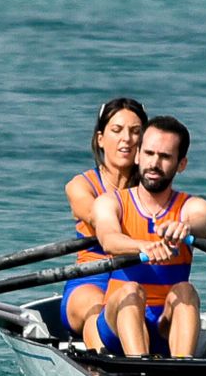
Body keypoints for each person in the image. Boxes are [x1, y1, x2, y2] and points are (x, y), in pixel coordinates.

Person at [88, 115, 206, 357]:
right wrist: (144, 246)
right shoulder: (111, 202)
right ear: (137, 156)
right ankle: (140, 368)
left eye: (165, 157)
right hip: (117, 324)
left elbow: (204, 222)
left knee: (186, 291)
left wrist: (185, 227)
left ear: (181, 164)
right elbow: (109, 238)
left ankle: (182, 369)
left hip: (166, 324)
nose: (154, 163)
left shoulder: (190, 206)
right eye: (149, 153)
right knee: (130, 291)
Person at [61, 97, 147, 336]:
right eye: (117, 130)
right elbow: (98, 218)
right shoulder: (81, 186)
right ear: (100, 139)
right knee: (99, 310)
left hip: (138, 279)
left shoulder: (154, 190)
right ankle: (99, 356)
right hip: (91, 279)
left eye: (135, 131)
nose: (126, 139)